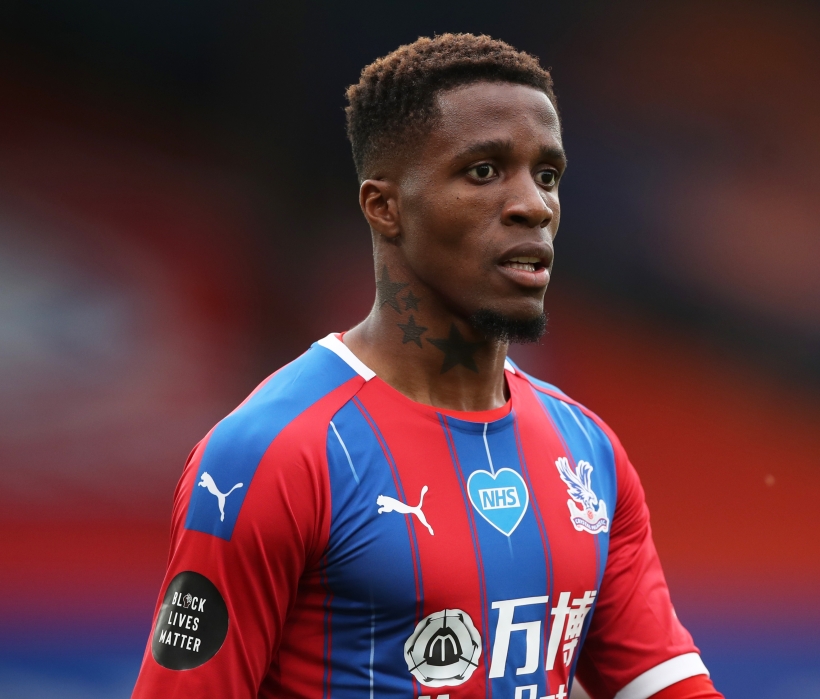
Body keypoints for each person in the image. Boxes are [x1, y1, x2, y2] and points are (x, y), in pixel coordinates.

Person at [131, 33, 724, 699]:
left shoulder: (587, 453)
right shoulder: (275, 453)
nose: (534, 204)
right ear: (385, 207)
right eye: (484, 171)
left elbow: (666, 683)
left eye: (547, 174)